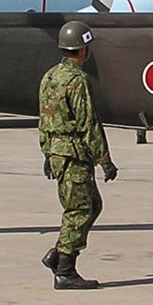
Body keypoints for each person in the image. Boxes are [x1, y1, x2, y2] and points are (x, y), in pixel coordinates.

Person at [37, 20, 117, 289]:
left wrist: (48, 153)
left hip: (59, 155)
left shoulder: (49, 77)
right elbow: (89, 123)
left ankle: (58, 255)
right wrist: (104, 160)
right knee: (80, 210)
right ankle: (65, 270)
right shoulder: (78, 81)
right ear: (82, 50)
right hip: (73, 155)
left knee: (92, 205)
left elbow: (44, 119)